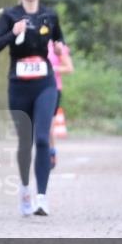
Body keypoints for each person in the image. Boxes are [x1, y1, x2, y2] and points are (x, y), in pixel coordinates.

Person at [0, 0, 66, 217]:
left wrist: (59, 48)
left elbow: (59, 41)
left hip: (45, 84)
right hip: (18, 85)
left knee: (43, 138)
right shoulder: (10, 15)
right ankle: (25, 189)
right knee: (25, 142)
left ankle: (42, 198)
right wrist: (12, 33)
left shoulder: (50, 15)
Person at [47, 39, 74, 168]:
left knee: (48, 124)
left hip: (53, 88)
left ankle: (51, 153)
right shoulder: (33, 42)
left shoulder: (57, 46)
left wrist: (52, 68)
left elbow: (69, 68)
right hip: (34, 88)